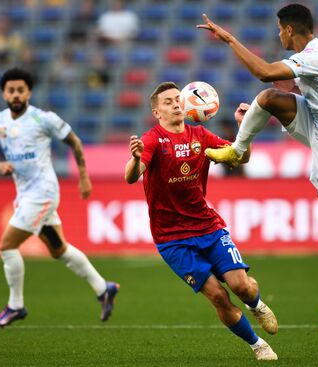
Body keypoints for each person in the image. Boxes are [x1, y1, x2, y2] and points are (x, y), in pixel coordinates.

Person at [198, 4, 318, 333]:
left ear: (289, 30)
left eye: (279, 30)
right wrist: (254, 123)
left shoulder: (316, 57)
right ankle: (236, 150)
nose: (278, 35)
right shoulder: (310, 57)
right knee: (269, 98)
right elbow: (285, 89)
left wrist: (230, 40)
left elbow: (264, 70)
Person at [124, 82, 278, 361]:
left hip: (208, 227)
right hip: (172, 239)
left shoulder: (201, 135)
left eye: (177, 99)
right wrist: (135, 160)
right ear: (157, 112)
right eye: (168, 101)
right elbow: (131, 176)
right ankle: (258, 345)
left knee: (242, 286)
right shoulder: (152, 140)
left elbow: (240, 158)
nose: (175, 104)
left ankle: (256, 305)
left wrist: (246, 130)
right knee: (217, 295)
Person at [0, 67, 119, 327]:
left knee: (7, 246)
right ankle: (104, 288)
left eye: (20, 90)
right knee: (59, 250)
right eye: (11, 90)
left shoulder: (43, 119)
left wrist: (83, 176)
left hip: (43, 193)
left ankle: (16, 305)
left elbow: (75, 142)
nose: (15, 94)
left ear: (29, 92)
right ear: (4, 93)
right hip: (24, 195)